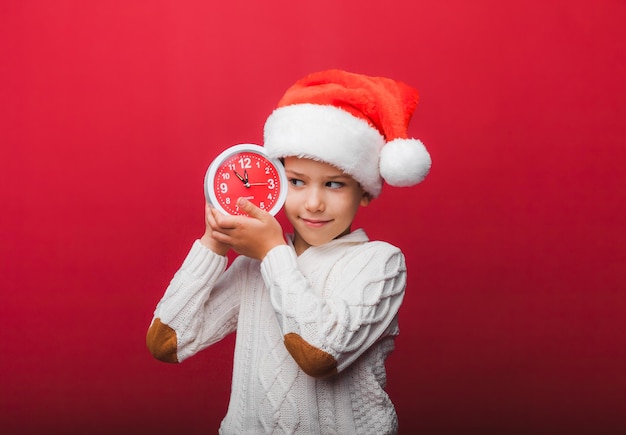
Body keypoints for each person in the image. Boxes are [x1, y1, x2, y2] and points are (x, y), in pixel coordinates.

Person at [146, 69, 432, 434]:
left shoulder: (380, 263)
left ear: (364, 191)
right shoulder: (258, 262)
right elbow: (168, 341)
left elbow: (319, 354)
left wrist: (271, 252)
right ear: (277, 182)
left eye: (333, 184)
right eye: (297, 181)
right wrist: (213, 243)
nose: (313, 203)